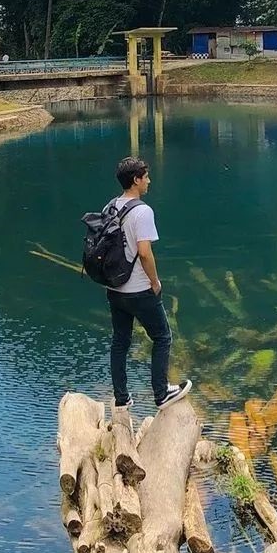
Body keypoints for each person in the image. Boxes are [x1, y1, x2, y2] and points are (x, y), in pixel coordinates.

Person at [105, 156, 191, 410]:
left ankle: (121, 399)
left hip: (114, 288)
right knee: (162, 337)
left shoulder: (111, 206)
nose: (149, 181)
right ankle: (161, 393)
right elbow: (144, 252)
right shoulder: (142, 211)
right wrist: (154, 282)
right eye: (146, 177)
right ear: (136, 180)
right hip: (139, 290)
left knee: (120, 341)